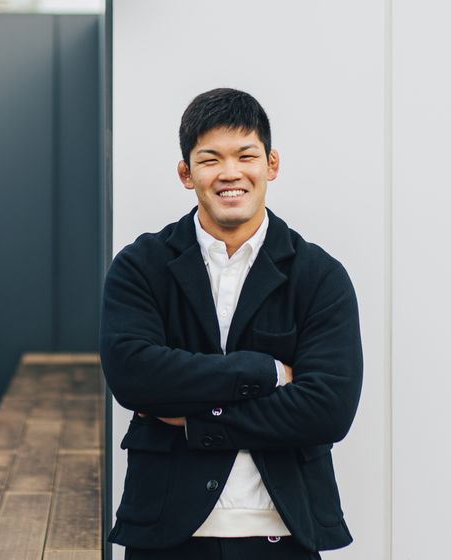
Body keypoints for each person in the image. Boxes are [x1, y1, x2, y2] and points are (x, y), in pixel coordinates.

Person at [100, 88, 363, 560]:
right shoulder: (140, 266)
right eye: (210, 159)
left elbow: (329, 408)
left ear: (271, 164)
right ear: (186, 173)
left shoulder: (319, 275)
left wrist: (196, 420)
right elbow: (134, 376)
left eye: (246, 155)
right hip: (165, 530)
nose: (230, 173)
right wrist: (265, 373)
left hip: (284, 531)